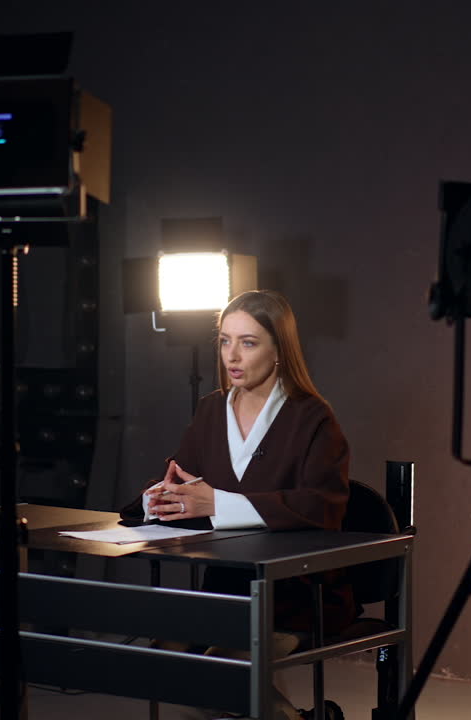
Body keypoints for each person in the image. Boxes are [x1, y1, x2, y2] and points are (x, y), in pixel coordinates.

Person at [122, 289, 357, 719]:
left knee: (222, 671)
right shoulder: (212, 409)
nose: (233, 355)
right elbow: (182, 481)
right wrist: (163, 498)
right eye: (226, 341)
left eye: (248, 342)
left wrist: (219, 502)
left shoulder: (313, 417)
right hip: (226, 588)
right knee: (160, 659)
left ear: (279, 350)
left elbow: (323, 506)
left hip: (298, 595)